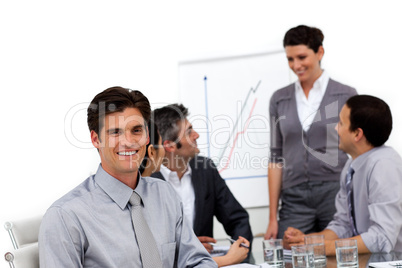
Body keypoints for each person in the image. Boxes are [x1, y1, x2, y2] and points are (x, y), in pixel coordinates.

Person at [38, 86, 217, 267]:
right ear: (95, 139)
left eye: (136, 130)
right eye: (115, 132)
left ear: (147, 135)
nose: (128, 142)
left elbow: (198, 261)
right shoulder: (65, 216)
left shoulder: (165, 195)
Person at [265, 25, 358, 240]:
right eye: (290, 59)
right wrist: (272, 218)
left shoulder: (345, 94)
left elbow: (357, 150)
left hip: (335, 193)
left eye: (301, 57)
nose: (296, 65)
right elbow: (275, 157)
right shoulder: (279, 99)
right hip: (294, 197)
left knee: (339, 254)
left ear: (320, 52)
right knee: (291, 255)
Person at [283, 95, 402, 255]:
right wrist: (308, 241)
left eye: (341, 123)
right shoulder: (351, 165)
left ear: (357, 134)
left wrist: (322, 248)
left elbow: (382, 239)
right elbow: (344, 224)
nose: (335, 129)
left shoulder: (384, 165)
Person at [139, 118, 250, 267]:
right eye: (189, 132)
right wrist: (189, 248)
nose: (196, 135)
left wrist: (239, 252)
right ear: (170, 145)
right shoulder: (146, 179)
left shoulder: (206, 169)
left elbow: (238, 219)